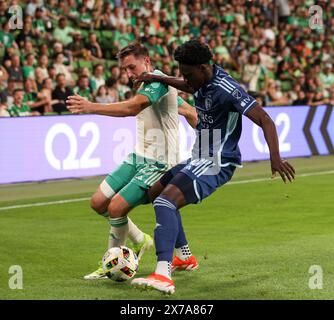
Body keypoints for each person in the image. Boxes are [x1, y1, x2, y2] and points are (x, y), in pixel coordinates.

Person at [131, 39, 296, 294]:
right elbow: (184, 84)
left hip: (216, 160)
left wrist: (275, 157)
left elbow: (264, 119)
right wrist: (158, 78)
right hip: (199, 156)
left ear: (204, 67)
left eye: (188, 74)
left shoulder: (227, 89)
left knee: (166, 202)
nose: (186, 80)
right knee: (155, 194)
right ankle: (184, 257)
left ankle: (162, 273)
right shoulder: (200, 79)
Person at [66, 43, 198, 280]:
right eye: (125, 69)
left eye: (132, 67)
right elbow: (188, 111)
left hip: (160, 163)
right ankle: (144, 241)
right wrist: (195, 120)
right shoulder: (152, 86)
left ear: (146, 61)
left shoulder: (157, 80)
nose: (128, 74)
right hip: (139, 156)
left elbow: (133, 107)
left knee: (116, 207)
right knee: (98, 202)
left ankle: (110, 264)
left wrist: (91, 106)